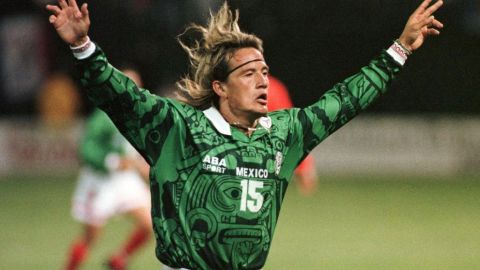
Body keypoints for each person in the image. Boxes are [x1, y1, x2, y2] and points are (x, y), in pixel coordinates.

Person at [47, 0, 444, 269]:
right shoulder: (180, 130)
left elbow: (343, 102)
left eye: (266, 73)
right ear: (219, 87)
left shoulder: (283, 134)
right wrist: (83, 46)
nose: (262, 82)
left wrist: (400, 50)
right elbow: (122, 97)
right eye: (249, 73)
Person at [63, 67, 152, 270]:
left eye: (136, 85)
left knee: (150, 223)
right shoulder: (105, 115)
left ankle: (119, 259)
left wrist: (145, 168)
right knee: (91, 236)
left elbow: (132, 152)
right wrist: (112, 162)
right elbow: (86, 149)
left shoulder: (139, 114)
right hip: (100, 180)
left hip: (123, 180)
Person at [267, 75, 318, 195]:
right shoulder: (270, 87)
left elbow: (288, 129)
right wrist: (304, 167)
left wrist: (303, 165)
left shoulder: (270, 89)